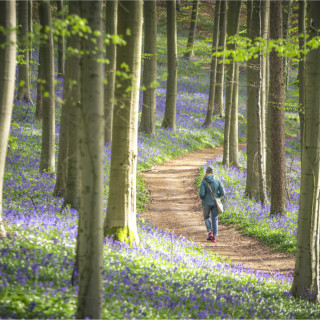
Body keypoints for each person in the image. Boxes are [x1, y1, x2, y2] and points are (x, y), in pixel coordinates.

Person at [199, 165, 225, 243]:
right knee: (215, 218)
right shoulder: (217, 181)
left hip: (206, 203)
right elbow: (223, 192)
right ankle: (214, 237)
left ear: (206, 173)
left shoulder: (204, 181)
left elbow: (201, 194)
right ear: (213, 173)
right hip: (215, 203)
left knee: (206, 217)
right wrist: (217, 196)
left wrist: (203, 198)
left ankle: (210, 232)